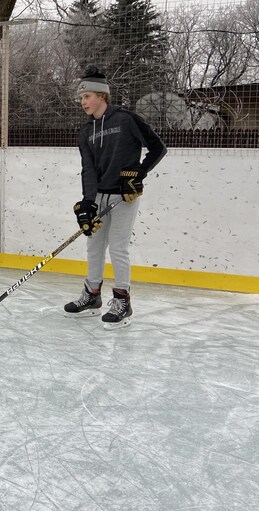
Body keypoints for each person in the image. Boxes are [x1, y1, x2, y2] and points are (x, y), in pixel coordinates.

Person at [64, 66, 167, 329]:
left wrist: (139, 173)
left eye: (86, 96)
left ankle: (122, 300)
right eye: (81, 98)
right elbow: (88, 168)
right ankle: (92, 295)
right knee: (94, 246)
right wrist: (88, 201)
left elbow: (158, 148)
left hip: (124, 196)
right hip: (98, 195)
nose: (82, 102)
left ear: (101, 96)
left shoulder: (125, 120)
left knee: (118, 247)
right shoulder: (86, 132)